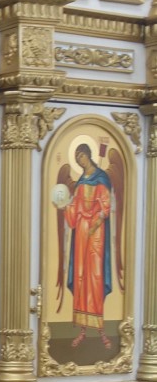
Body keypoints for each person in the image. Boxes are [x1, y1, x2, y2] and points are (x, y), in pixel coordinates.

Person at [63, 143, 113, 349]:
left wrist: (95, 223)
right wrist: (65, 206)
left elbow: (105, 206)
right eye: (77, 159)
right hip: (81, 233)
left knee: (95, 276)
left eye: (81, 157)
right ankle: (83, 329)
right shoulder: (81, 181)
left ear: (88, 155)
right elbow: (74, 208)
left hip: (96, 233)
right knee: (81, 275)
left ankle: (100, 329)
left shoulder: (101, 178)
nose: (80, 161)